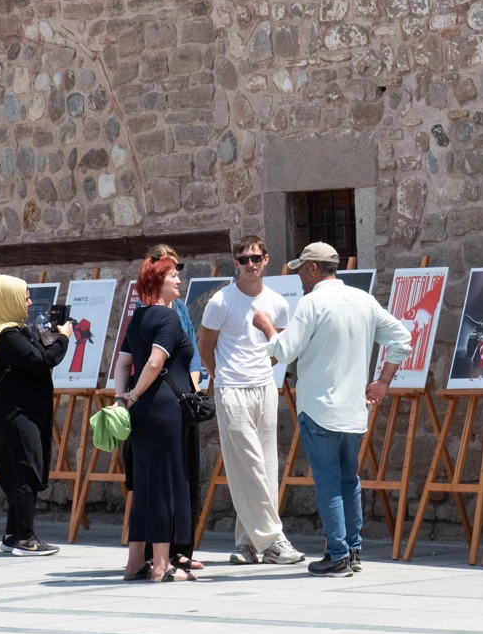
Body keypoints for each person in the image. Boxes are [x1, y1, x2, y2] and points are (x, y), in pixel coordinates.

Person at [252, 243, 412, 577]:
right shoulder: (363, 300)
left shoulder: (311, 303)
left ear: (313, 268)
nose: (298, 275)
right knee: (348, 480)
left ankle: (337, 554)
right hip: (354, 410)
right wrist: (383, 381)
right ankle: (352, 550)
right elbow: (402, 338)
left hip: (319, 408)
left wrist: (266, 325)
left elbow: (284, 351)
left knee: (328, 483)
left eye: (300, 269)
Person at [198, 235, 305, 565]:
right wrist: (223, 377)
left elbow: (280, 348)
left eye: (255, 258)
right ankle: (274, 538)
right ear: (236, 263)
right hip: (231, 388)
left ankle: (247, 542)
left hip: (264, 387)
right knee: (245, 462)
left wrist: (262, 369)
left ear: (266, 259)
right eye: (243, 259)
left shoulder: (277, 302)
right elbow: (205, 348)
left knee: (265, 465)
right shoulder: (221, 302)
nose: (250, 265)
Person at [114, 256, 197, 582]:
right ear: (158, 282)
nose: (178, 280)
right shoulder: (167, 317)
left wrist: (124, 400)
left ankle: (135, 562)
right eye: (172, 276)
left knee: (146, 486)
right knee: (164, 485)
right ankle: (161, 566)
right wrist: (131, 397)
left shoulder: (139, 317)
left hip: (142, 410)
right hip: (163, 409)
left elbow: (122, 364)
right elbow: (153, 362)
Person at [0, 275, 73, 557]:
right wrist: (65, 338)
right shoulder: (8, 336)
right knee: (26, 472)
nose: (30, 302)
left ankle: (12, 535)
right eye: (24, 297)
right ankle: (26, 539)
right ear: (8, 300)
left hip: (19, 414)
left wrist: (51, 335)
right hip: (18, 416)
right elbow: (44, 361)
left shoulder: (14, 332)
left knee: (22, 471)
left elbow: (38, 354)